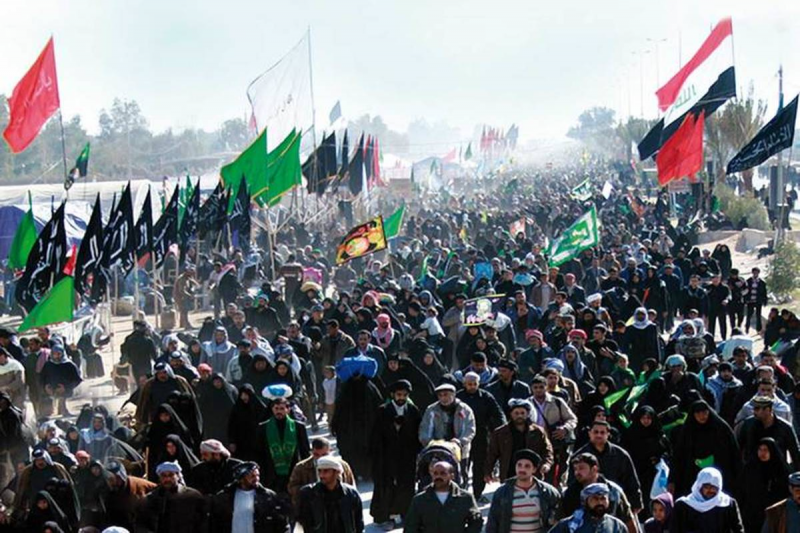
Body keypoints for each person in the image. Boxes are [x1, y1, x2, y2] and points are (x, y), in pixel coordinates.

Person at [370, 379, 422, 528]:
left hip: (407, 456)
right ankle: (387, 517)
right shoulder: (383, 410)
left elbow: (417, 433)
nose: (401, 398)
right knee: (387, 487)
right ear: (393, 395)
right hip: (387, 456)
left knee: (407, 486)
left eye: (405, 395)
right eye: (399, 395)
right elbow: (375, 435)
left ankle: (406, 514)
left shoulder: (413, 410)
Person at [569, 421, 642, 513]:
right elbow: (572, 482)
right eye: (596, 432)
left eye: (602, 432)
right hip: (587, 504)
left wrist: (636, 502)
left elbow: (631, 480)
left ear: (608, 434)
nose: (599, 435)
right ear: (589, 433)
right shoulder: (579, 457)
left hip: (616, 501)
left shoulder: (621, 455)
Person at [456, 371, 507, 502]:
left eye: (475, 384)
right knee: (462, 466)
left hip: (481, 435)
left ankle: (477, 494)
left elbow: (497, 413)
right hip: (462, 436)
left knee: (480, 466)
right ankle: (461, 493)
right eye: (469, 384)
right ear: (464, 384)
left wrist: (502, 428)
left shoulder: (486, 396)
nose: (472, 386)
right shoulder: (458, 397)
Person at [486, 449, 561, 533]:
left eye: (527, 466)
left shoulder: (548, 492)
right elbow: (492, 523)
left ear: (534, 469)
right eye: (519, 465)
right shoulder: (502, 493)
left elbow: (558, 519)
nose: (522, 469)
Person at [560, 453, 639, 533]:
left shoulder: (614, 491)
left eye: (581, 468)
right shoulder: (570, 493)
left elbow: (628, 521)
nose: (577, 472)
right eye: (575, 469)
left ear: (594, 469)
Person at [209, 461, 291, 533]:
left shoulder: (268, 496)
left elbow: (281, 523)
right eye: (252, 476)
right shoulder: (225, 496)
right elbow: (214, 523)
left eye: (257, 475)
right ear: (241, 478)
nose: (256, 479)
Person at [403, 461, 483, 533]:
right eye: (435, 473)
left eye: (443, 473)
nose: (438, 476)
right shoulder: (420, 500)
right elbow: (410, 527)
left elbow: (476, 522)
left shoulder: (465, 498)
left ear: (452, 476)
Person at [255, 396, 310, 493]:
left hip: (293, 469)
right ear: (272, 409)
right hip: (272, 472)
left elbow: (305, 450)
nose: (279, 411)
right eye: (276, 408)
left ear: (288, 410)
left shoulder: (298, 427)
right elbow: (259, 451)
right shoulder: (263, 427)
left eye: (282, 408)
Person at [419, 384, 477, 474]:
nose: (443, 398)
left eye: (446, 395)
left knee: (460, 475)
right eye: (440, 395)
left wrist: (460, 441)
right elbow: (425, 429)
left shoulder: (464, 409)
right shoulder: (432, 410)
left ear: (453, 395)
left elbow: (470, 429)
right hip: (437, 451)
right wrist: (430, 443)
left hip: (460, 451)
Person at [297, 455, 364, 533]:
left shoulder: (351, 495)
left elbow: (359, 525)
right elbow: (305, 523)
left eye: (326, 471)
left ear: (336, 472)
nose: (321, 475)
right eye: (319, 471)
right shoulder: (309, 494)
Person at [136, 461, 208, 533]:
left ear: (178, 476)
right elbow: (141, 524)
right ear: (159, 478)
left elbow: (203, 522)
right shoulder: (150, 499)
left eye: (171, 475)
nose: (167, 479)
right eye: (163, 476)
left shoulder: (192, 496)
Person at [287, 437, 355, 513]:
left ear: (330, 451)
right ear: (311, 452)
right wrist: (310, 491)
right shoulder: (301, 467)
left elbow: (351, 488)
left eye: (324, 454)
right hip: (312, 510)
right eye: (316, 455)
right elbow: (291, 488)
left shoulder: (343, 466)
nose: (320, 458)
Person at [672, 467, 744, 533]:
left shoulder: (727, 503)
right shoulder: (683, 505)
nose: (711, 490)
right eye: (707, 486)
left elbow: (738, 530)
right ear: (699, 486)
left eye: (714, 487)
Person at [549, 483, 627, 533]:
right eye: (595, 499)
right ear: (585, 501)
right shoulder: (568, 525)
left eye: (603, 499)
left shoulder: (617, 526)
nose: (600, 502)